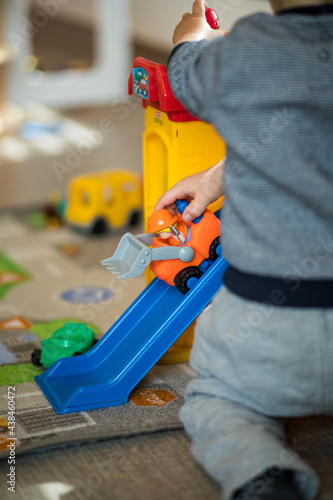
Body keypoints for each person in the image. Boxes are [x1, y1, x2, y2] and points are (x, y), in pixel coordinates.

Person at [154, 1, 333, 499]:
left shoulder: (249, 50)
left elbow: (190, 77)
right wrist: (217, 178)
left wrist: (190, 40)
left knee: (218, 400)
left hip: (265, 323)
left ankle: (260, 473)